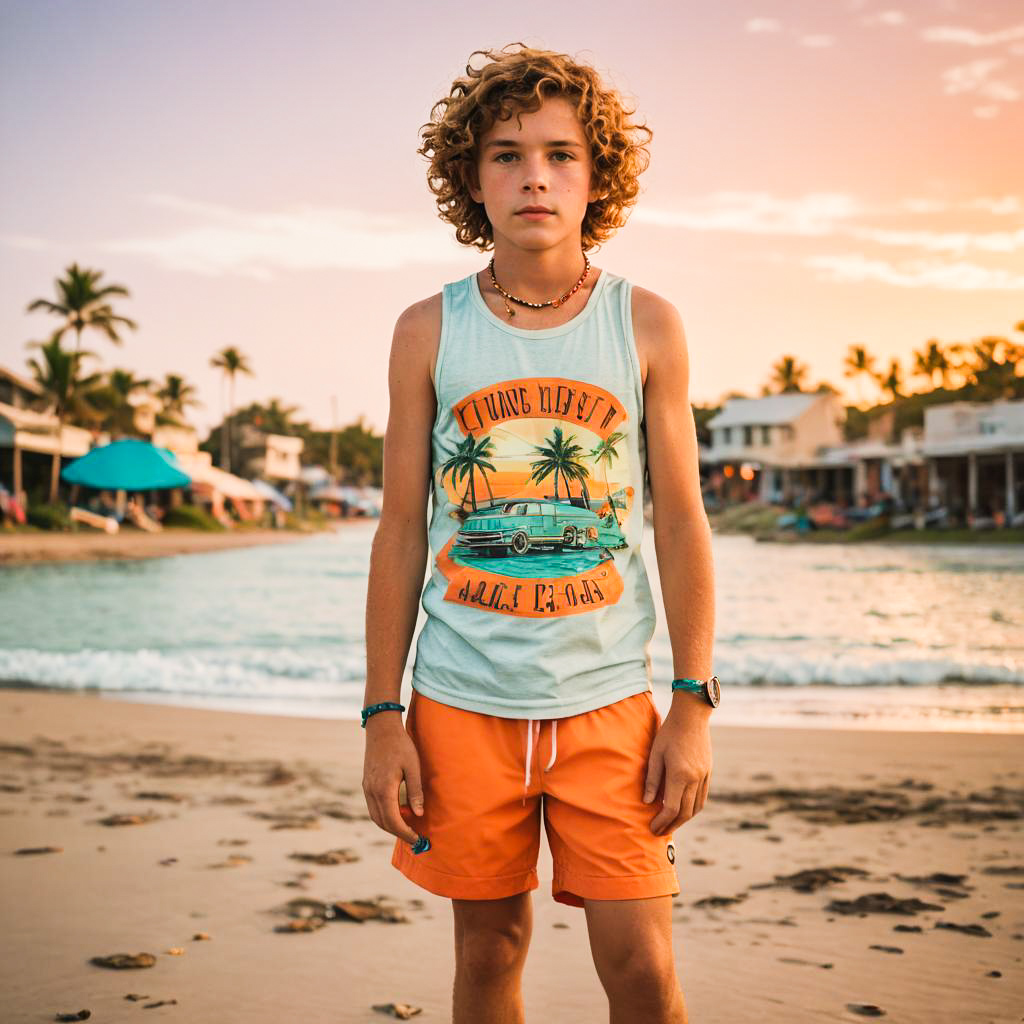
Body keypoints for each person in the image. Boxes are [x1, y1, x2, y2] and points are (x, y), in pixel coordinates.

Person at [362, 44, 716, 1024]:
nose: (534, 177)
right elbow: (399, 530)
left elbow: (680, 523)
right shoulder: (424, 331)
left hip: (607, 704)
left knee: (641, 967)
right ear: (469, 178)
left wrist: (690, 702)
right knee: (488, 954)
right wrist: (380, 714)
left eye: (560, 154)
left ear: (595, 175)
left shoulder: (644, 325)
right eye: (507, 154)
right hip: (459, 703)